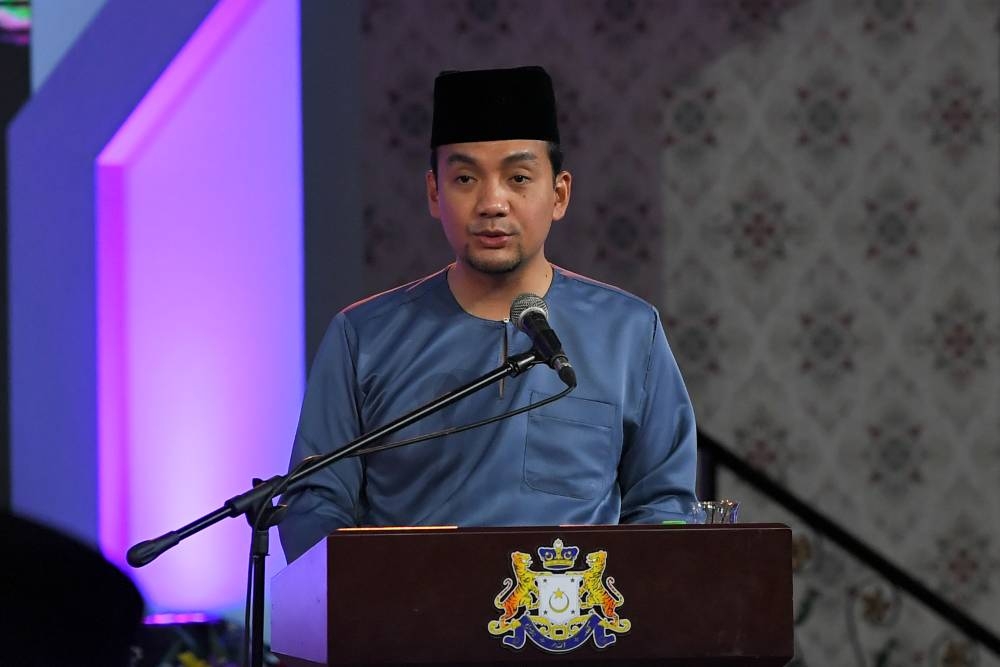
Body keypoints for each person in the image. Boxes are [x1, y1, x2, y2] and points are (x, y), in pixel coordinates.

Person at [279, 66, 698, 563]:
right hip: (415, 626)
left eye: (518, 178)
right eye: (464, 178)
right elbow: (315, 504)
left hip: (573, 629)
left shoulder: (630, 332)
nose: (492, 202)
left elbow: (664, 505)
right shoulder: (363, 336)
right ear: (435, 193)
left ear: (559, 194)